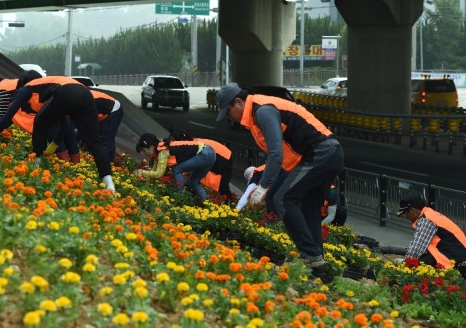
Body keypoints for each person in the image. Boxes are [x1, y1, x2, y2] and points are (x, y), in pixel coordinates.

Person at [216, 82, 344, 283]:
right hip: (325, 154)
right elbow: (283, 158)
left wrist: (263, 187)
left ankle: (310, 256)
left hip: (321, 154)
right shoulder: (257, 112)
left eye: (228, 111)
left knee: (283, 199)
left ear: (239, 102)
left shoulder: (262, 111)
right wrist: (269, 186)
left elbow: (275, 153)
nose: (229, 118)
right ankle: (318, 274)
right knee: (309, 209)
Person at [0, 71, 115, 193]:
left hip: (66, 91)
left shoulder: (27, 86)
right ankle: (109, 184)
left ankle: (36, 164)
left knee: (39, 122)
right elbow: (65, 124)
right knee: (95, 142)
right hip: (86, 94)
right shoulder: (48, 85)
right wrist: (54, 144)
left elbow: (9, 114)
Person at [0, 74, 80, 163]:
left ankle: (66, 170)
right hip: (63, 100)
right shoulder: (10, 84)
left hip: (49, 108)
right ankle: (75, 170)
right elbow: (8, 117)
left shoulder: (1, 90)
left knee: (55, 136)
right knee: (69, 137)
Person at [396, 195, 466, 280]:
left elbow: (416, 248)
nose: (406, 217)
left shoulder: (426, 220)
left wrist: (403, 267)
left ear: (413, 211)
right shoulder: (430, 214)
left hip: (457, 259)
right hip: (455, 253)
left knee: (417, 269)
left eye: (406, 214)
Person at [135, 133, 215, 205]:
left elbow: (159, 173)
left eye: (144, 151)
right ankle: (206, 204)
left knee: (176, 169)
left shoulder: (163, 152)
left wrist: (141, 172)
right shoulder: (159, 150)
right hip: (210, 153)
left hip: (205, 153)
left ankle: (178, 198)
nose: (144, 154)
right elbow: (154, 172)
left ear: (151, 147)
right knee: (193, 181)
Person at [169, 130, 235, 204]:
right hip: (216, 155)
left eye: (173, 142)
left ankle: (229, 205)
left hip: (224, 157)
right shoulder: (189, 143)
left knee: (223, 186)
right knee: (193, 179)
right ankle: (205, 201)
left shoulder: (189, 145)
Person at [89, 89, 124, 162]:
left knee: (106, 138)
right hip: (101, 113)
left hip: (114, 110)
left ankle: (108, 164)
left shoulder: (86, 101)